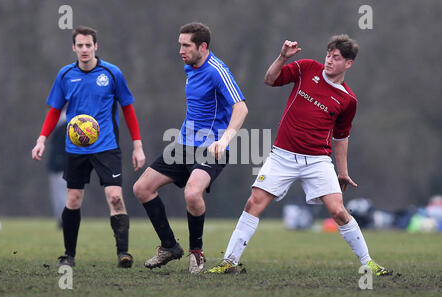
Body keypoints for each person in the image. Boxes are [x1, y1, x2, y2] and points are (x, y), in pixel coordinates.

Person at [207, 35, 392, 276]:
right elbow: (269, 79)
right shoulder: (306, 69)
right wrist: (283, 57)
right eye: (328, 55)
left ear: (348, 64)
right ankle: (229, 262)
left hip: (317, 161)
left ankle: (368, 263)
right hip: (282, 156)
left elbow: (341, 137)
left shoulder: (348, 100)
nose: (329, 60)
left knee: (338, 211)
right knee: (254, 203)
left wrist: (343, 171)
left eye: (336, 58)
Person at [133, 22, 248, 274]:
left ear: (203, 47)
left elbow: (241, 107)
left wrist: (225, 140)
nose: (181, 50)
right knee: (142, 188)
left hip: (211, 147)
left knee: (192, 194)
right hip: (183, 144)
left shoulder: (218, 70)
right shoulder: (190, 66)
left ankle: (197, 253)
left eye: (186, 45)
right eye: (180, 44)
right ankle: (169, 246)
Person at [31, 26, 146, 268]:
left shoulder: (112, 73)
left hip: (107, 146)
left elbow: (128, 109)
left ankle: (123, 253)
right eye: (80, 45)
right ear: (74, 48)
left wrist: (138, 145)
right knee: (72, 199)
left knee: (115, 196)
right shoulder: (65, 75)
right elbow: (54, 111)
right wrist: (41, 139)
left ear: (96, 46)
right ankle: (69, 255)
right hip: (75, 148)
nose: (84, 49)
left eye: (88, 45)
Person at [46, 109, 67, 228]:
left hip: (62, 165)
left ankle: (65, 220)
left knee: (62, 194)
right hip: (55, 165)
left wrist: (61, 160)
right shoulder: (58, 123)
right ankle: (61, 219)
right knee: (57, 194)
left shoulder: (66, 123)